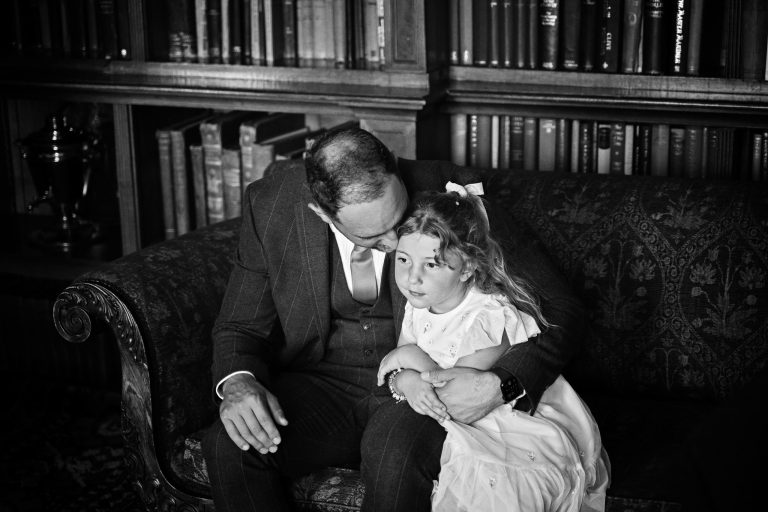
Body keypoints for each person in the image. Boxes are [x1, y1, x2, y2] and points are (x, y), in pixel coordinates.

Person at [202, 126, 586, 511]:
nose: (392, 241)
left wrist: (500, 383)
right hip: (325, 384)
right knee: (230, 443)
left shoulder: (453, 193)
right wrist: (238, 382)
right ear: (322, 212)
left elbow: (561, 309)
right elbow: (240, 324)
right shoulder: (270, 205)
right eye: (373, 237)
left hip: (429, 385)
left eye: (398, 219)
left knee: (392, 449)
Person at [376, 185, 610, 511]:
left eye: (431, 264)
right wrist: (407, 380)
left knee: (485, 487)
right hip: (453, 409)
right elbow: (401, 376)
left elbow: (454, 391)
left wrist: (405, 359)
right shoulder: (419, 302)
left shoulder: (488, 317)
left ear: (468, 268)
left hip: (498, 419)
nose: (411, 278)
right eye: (403, 259)